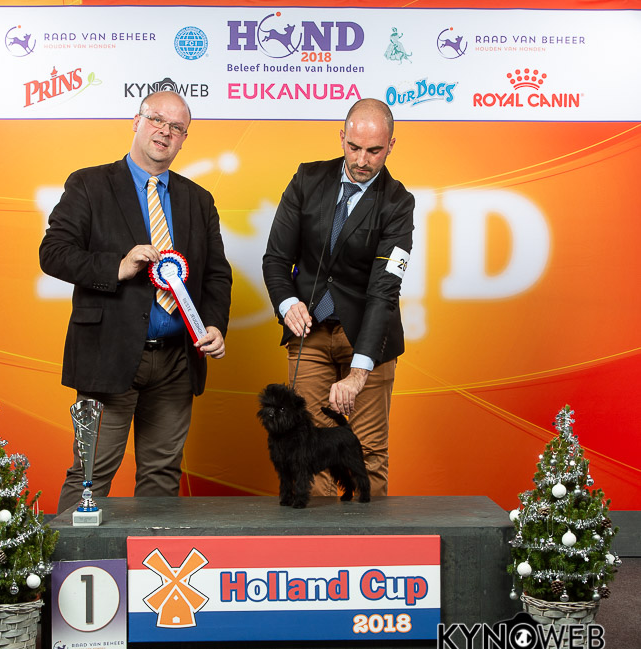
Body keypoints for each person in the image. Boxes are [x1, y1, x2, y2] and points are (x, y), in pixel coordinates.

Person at [40, 91, 232, 513]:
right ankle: (71, 558)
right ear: (136, 121)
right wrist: (118, 266)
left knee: (162, 475)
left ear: (184, 139)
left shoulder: (199, 200)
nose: (165, 131)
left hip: (177, 360)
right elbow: (52, 253)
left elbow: (216, 274)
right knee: (90, 475)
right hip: (108, 355)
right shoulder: (89, 184)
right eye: (157, 119)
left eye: (177, 127)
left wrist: (214, 324)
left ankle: (154, 559)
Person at [262, 98, 414, 497]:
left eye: (374, 150)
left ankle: (367, 536)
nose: (362, 160)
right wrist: (287, 303)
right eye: (354, 147)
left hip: (368, 339)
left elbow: (385, 289)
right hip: (308, 333)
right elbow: (276, 258)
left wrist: (360, 372)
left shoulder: (398, 203)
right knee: (305, 454)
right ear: (342, 137)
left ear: (391, 145)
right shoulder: (306, 179)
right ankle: (320, 539)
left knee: (366, 456)